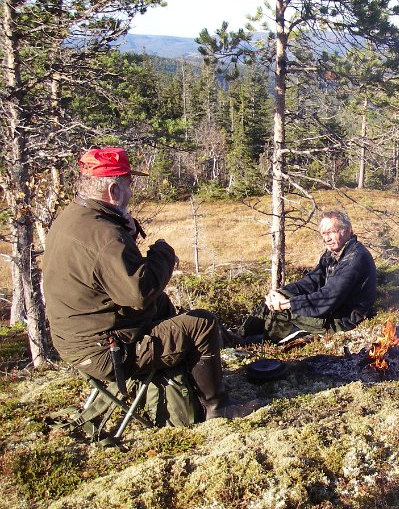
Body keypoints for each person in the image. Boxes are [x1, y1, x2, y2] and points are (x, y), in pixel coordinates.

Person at [42, 146, 261, 420]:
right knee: (201, 323)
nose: (131, 192)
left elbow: (108, 274)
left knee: (164, 306)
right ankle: (218, 407)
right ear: (113, 191)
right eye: (128, 184)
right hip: (107, 351)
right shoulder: (105, 235)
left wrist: (126, 231)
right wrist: (163, 253)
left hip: (77, 340)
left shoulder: (73, 218)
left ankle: (231, 343)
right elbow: (139, 292)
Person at [240, 209, 377, 344]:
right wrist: (280, 294)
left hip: (343, 319)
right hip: (331, 309)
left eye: (331, 232)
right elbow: (311, 281)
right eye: (323, 234)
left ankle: (262, 349)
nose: (326, 239)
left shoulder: (355, 258)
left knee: (283, 312)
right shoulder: (334, 253)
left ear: (348, 230)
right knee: (272, 300)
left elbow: (329, 297)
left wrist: (287, 304)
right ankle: (237, 338)